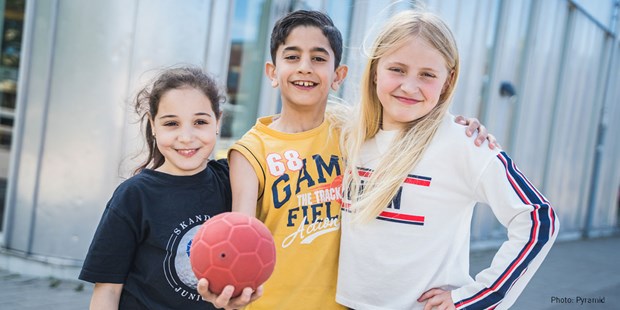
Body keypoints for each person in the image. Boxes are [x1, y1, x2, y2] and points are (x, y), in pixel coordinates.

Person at [198, 10, 496, 310]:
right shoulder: (250, 151)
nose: (305, 68)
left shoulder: (355, 134)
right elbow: (242, 237)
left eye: (318, 58)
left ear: (339, 75)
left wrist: (461, 128)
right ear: (272, 72)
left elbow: (408, 126)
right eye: (291, 57)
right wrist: (232, 290)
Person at [337, 10, 559, 310]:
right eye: (397, 69)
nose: (409, 86)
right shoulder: (348, 135)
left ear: (447, 79)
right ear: (375, 69)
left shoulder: (464, 143)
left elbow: (538, 218)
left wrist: (479, 297)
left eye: (427, 75)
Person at [78, 67, 253, 309]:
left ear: (218, 121)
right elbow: (107, 291)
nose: (186, 136)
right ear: (153, 125)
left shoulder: (233, 179)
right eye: (172, 123)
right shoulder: (134, 196)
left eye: (200, 122)